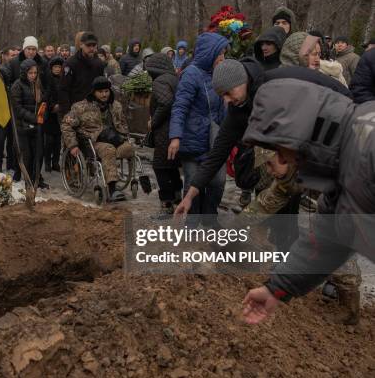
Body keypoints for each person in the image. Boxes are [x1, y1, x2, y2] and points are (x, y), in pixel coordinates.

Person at [174, 58, 352, 247]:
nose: (226, 101)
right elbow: (218, 152)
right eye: (221, 96)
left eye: (228, 93)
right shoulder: (239, 108)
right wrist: (190, 196)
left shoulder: (277, 89)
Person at [241, 80, 375, 326]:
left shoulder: (367, 151)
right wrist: (276, 289)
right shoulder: (342, 168)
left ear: (299, 132)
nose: (282, 159)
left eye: (280, 149)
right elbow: (327, 239)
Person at [168, 32, 228, 227]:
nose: (223, 58)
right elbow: (180, 107)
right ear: (210, 53)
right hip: (192, 140)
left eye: (224, 54)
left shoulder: (220, 74)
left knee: (217, 182)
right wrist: (175, 136)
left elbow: (223, 108)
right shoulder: (191, 74)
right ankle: (191, 221)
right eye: (220, 54)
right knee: (193, 181)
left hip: (214, 139)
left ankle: (210, 218)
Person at [61, 77, 133, 202]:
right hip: (92, 141)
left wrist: (124, 136)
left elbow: (123, 123)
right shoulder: (81, 107)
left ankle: (111, 172)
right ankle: (112, 189)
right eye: (100, 92)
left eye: (106, 91)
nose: (104, 94)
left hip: (114, 138)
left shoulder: (116, 106)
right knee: (108, 151)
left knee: (129, 148)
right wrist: (72, 145)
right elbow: (66, 125)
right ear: (94, 92)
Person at [145, 53, 181, 214]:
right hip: (175, 128)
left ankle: (167, 202)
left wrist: (153, 122)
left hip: (165, 131)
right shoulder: (173, 78)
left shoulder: (160, 81)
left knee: (159, 166)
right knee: (171, 165)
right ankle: (177, 195)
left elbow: (165, 103)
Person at [10, 59, 47, 188]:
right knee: (27, 156)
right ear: (24, 73)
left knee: (38, 154)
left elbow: (41, 102)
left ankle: (37, 178)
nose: (33, 75)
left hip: (36, 127)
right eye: (30, 73)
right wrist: (33, 118)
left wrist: (43, 112)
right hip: (23, 127)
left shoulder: (37, 85)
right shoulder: (17, 86)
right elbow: (18, 109)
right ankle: (28, 182)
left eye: (35, 73)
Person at [58, 32, 105, 122]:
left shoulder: (98, 63)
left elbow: (101, 87)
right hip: (74, 111)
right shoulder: (70, 63)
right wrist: (66, 113)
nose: (91, 48)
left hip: (94, 110)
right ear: (81, 45)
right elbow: (63, 90)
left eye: (94, 45)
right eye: (88, 45)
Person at [44, 56, 64, 172]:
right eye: (55, 67)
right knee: (49, 141)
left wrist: (61, 105)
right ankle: (47, 162)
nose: (57, 69)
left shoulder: (64, 79)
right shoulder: (48, 79)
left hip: (60, 113)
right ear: (51, 68)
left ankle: (55, 162)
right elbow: (46, 95)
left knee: (58, 141)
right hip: (50, 114)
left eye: (59, 67)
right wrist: (52, 106)